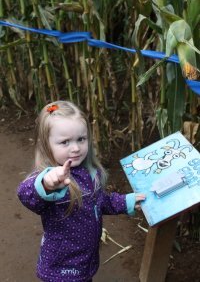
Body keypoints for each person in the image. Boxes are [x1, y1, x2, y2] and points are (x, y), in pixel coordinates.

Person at [17, 100, 146, 282]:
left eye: (81, 139)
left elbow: (101, 201)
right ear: (46, 145)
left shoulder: (89, 172)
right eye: (65, 142)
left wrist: (126, 202)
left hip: (85, 260)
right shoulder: (53, 179)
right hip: (61, 266)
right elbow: (26, 194)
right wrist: (46, 183)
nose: (76, 148)